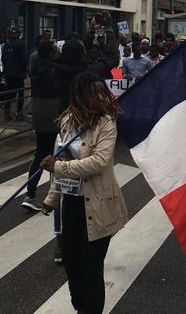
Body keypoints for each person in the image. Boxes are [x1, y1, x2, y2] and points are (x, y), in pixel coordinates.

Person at [40, 71, 127, 314]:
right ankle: (81, 307)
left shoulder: (107, 123)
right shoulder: (68, 120)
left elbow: (99, 161)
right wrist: (52, 199)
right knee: (70, 262)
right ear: (79, 96)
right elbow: (63, 159)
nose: (100, 98)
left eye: (102, 92)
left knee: (90, 266)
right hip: (72, 205)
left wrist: (57, 166)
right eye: (93, 93)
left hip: (99, 205)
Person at [21, 40, 61, 212]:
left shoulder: (37, 69)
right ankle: (52, 194)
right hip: (53, 113)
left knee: (40, 155)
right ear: (51, 53)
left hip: (38, 113)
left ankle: (31, 193)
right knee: (57, 155)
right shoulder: (54, 70)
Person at [2, 28, 28, 121]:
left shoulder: (6, 44)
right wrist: (25, 69)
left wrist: (5, 70)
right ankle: (19, 113)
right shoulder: (21, 43)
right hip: (19, 73)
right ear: (19, 34)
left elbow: (3, 58)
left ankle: (6, 113)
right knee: (20, 93)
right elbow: (23, 58)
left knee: (8, 93)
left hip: (8, 72)